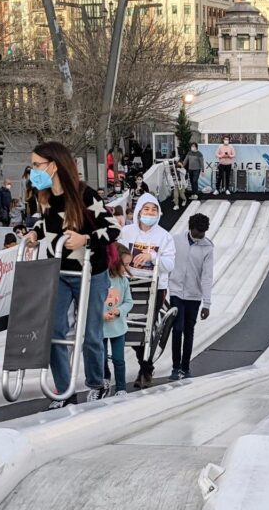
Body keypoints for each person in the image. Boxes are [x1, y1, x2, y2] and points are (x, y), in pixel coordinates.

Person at [25, 141, 121, 409]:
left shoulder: (85, 195)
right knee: (54, 331)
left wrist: (86, 239)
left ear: (54, 166)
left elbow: (113, 229)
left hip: (91, 272)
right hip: (59, 271)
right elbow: (48, 225)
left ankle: (97, 382)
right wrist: (35, 234)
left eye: (37, 165)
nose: (34, 171)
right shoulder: (44, 197)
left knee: (90, 332)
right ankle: (64, 389)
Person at [119, 192, 176, 388]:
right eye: (146, 209)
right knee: (131, 327)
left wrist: (152, 257)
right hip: (129, 285)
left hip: (154, 288)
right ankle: (144, 364)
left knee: (147, 328)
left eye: (154, 209)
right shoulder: (126, 232)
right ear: (139, 211)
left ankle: (146, 368)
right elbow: (117, 254)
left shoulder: (165, 236)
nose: (150, 213)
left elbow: (170, 264)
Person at [168, 213, 213, 381]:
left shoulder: (207, 247)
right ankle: (175, 366)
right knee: (177, 329)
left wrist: (207, 303)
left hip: (194, 295)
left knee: (189, 330)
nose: (200, 236)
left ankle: (185, 367)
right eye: (197, 232)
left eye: (203, 233)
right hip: (176, 291)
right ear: (191, 228)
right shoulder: (176, 240)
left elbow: (207, 276)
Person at [103, 244, 134, 397]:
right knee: (100, 358)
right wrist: (101, 315)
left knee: (118, 359)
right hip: (100, 327)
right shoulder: (100, 278)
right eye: (126, 264)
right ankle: (103, 381)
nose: (127, 268)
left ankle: (121, 388)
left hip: (118, 327)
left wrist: (119, 311)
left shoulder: (123, 281)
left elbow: (129, 302)